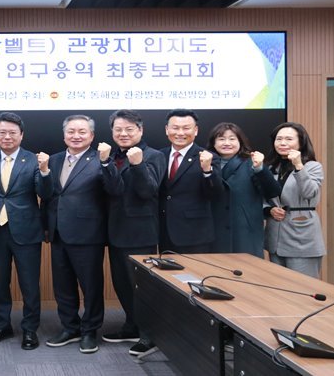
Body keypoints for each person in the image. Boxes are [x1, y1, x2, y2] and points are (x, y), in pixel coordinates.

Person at [42, 114, 121, 354]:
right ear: (64, 135)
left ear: (92, 135)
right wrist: (46, 225)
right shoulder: (54, 160)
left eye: (82, 132)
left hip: (88, 234)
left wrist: (106, 163)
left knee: (91, 287)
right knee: (62, 286)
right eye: (71, 131)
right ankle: (70, 328)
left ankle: (89, 331)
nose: (76, 136)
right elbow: (48, 195)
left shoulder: (101, 159)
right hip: (58, 233)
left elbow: (115, 189)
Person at [0, 112, 51, 351]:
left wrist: (45, 171)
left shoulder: (33, 160)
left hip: (27, 231)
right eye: (2, 132)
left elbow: (45, 193)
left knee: (29, 284)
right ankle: (2, 325)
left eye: (12, 133)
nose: (7, 137)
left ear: (21, 135)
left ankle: (30, 329)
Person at [100, 110, 166, 356]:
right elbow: (112, 190)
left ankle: (149, 335)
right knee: (122, 284)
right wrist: (105, 163)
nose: (123, 133)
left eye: (129, 129)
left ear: (140, 130)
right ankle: (131, 325)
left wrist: (138, 165)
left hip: (140, 233)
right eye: (118, 129)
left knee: (141, 287)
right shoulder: (111, 156)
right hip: (115, 230)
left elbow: (147, 191)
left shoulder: (154, 155)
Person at [206, 122, 281, 257]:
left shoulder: (251, 163)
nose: (227, 143)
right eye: (221, 139)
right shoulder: (205, 163)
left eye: (232, 139)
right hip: (214, 232)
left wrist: (260, 168)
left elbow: (272, 191)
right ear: (214, 143)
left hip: (245, 232)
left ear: (240, 142)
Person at [264, 122, 324, 278]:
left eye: (289, 139)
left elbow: (310, 192)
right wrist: (269, 210)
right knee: (278, 286)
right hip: (275, 237)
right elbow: (262, 197)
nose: (282, 143)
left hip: (302, 237)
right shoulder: (270, 168)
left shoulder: (312, 166)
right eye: (279, 139)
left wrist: (298, 165)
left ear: (301, 142)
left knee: (304, 286)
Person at [159, 109, 223, 254]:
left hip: (195, 234)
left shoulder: (208, 157)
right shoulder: (160, 155)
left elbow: (215, 193)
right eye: (175, 128)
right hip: (164, 232)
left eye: (186, 128)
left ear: (196, 130)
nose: (180, 133)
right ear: (167, 130)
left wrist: (207, 170)